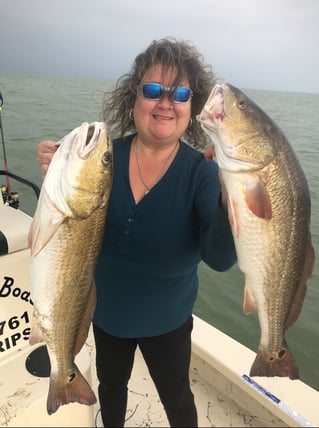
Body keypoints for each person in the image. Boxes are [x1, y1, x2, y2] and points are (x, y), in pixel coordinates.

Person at [37, 37, 237, 428]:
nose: (166, 102)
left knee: (176, 396)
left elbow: (220, 258)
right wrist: (53, 173)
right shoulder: (102, 158)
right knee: (111, 388)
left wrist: (230, 199)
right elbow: (61, 228)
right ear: (134, 97)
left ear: (191, 106)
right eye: (153, 90)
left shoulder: (202, 173)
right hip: (104, 314)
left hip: (169, 320)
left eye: (179, 94)